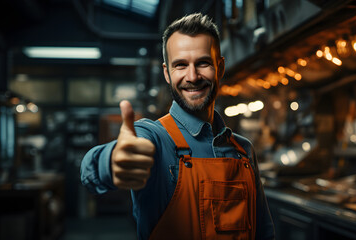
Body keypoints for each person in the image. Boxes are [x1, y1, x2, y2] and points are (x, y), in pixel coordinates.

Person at [81, 12, 275, 240]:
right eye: (180, 65)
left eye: (203, 63)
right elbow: (90, 170)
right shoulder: (155, 138)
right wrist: (112, 161)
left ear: (220, 68)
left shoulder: (244, 150)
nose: (192, 76)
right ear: (166, 73)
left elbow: (264, 233)